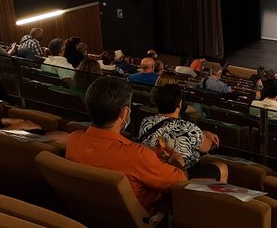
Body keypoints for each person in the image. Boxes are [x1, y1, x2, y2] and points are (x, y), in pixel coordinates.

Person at [65, 77, 187, 214]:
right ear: (125, 112)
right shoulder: (138, 156)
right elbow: (181, 183)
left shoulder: (73, 140)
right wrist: (176, 160)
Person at [139, 84, 226, 182]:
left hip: (152, 170)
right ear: (180, 104)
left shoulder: (145, 122)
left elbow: (168, 129)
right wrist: (206, 135)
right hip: (179, 177)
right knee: (221, 168)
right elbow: (207, 146)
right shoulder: (189, 128)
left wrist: (202, 132)